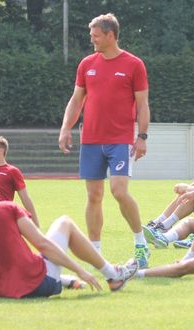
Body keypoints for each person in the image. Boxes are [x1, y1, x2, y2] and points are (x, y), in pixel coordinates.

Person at [0, 172, 138, 298]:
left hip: (4, 292)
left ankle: (66, 279)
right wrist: (82, 270)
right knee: (64, 223)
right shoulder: (6, 208)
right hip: (40, 285)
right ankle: (113, 275)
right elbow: (44, 245)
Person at [58, 13, 150, 268]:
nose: (92, 40)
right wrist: (66, 127)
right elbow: (77, 100)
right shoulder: (87, 63)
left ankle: (141, 244)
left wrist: (141, 137)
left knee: (119, 191)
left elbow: (142, 105)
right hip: (90, 140)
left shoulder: (134, 64)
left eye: (95, 35)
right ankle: (96, 252)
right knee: (94, 195)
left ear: (110, 35)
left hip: (120, 140)